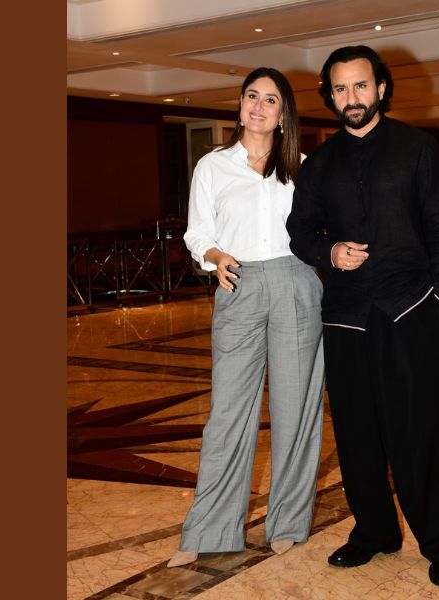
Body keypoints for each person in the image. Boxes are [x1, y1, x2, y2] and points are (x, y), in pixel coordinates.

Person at [286, 45, 439, 587]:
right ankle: (375, 531)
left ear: (381, 88)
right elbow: (300, 231)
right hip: (346, 316)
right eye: (340, 89)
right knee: (357, 433)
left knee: (424, 430)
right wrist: (329, 252)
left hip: (410, 309)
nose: (352, 97)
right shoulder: (320, 163)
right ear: (330, 96)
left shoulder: (418, 148)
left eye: (360, 85)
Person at [168, 67, 325, 567]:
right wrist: (215, 256)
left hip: (296, 282)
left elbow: (321, 229)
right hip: (236, 284)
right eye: (251, 96)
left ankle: (288, 522)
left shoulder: (304, 168)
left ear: (283, 114)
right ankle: (209, 528)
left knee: (295, 408)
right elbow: (197, 232)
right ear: (239, 105)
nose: (259, 106)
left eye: (270, 99)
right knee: (227, 412)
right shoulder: (213, 166)